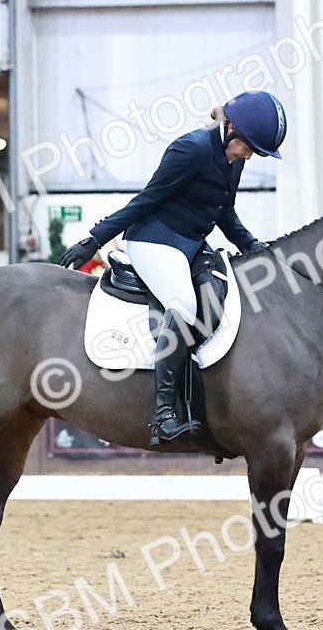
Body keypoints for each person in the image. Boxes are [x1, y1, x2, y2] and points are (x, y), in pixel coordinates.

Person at [60, 90, 287, 443]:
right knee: (183, 308)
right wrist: (95, 238)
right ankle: (163, 413)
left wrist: (254, 247)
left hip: (192, 243)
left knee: (215, 300)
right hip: (153, 239)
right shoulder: (192, 149)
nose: (250, 156)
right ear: (231, 131)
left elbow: (224, 212)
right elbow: (147, 199)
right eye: (250, 148)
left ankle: (195, 394)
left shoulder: (234, 160)